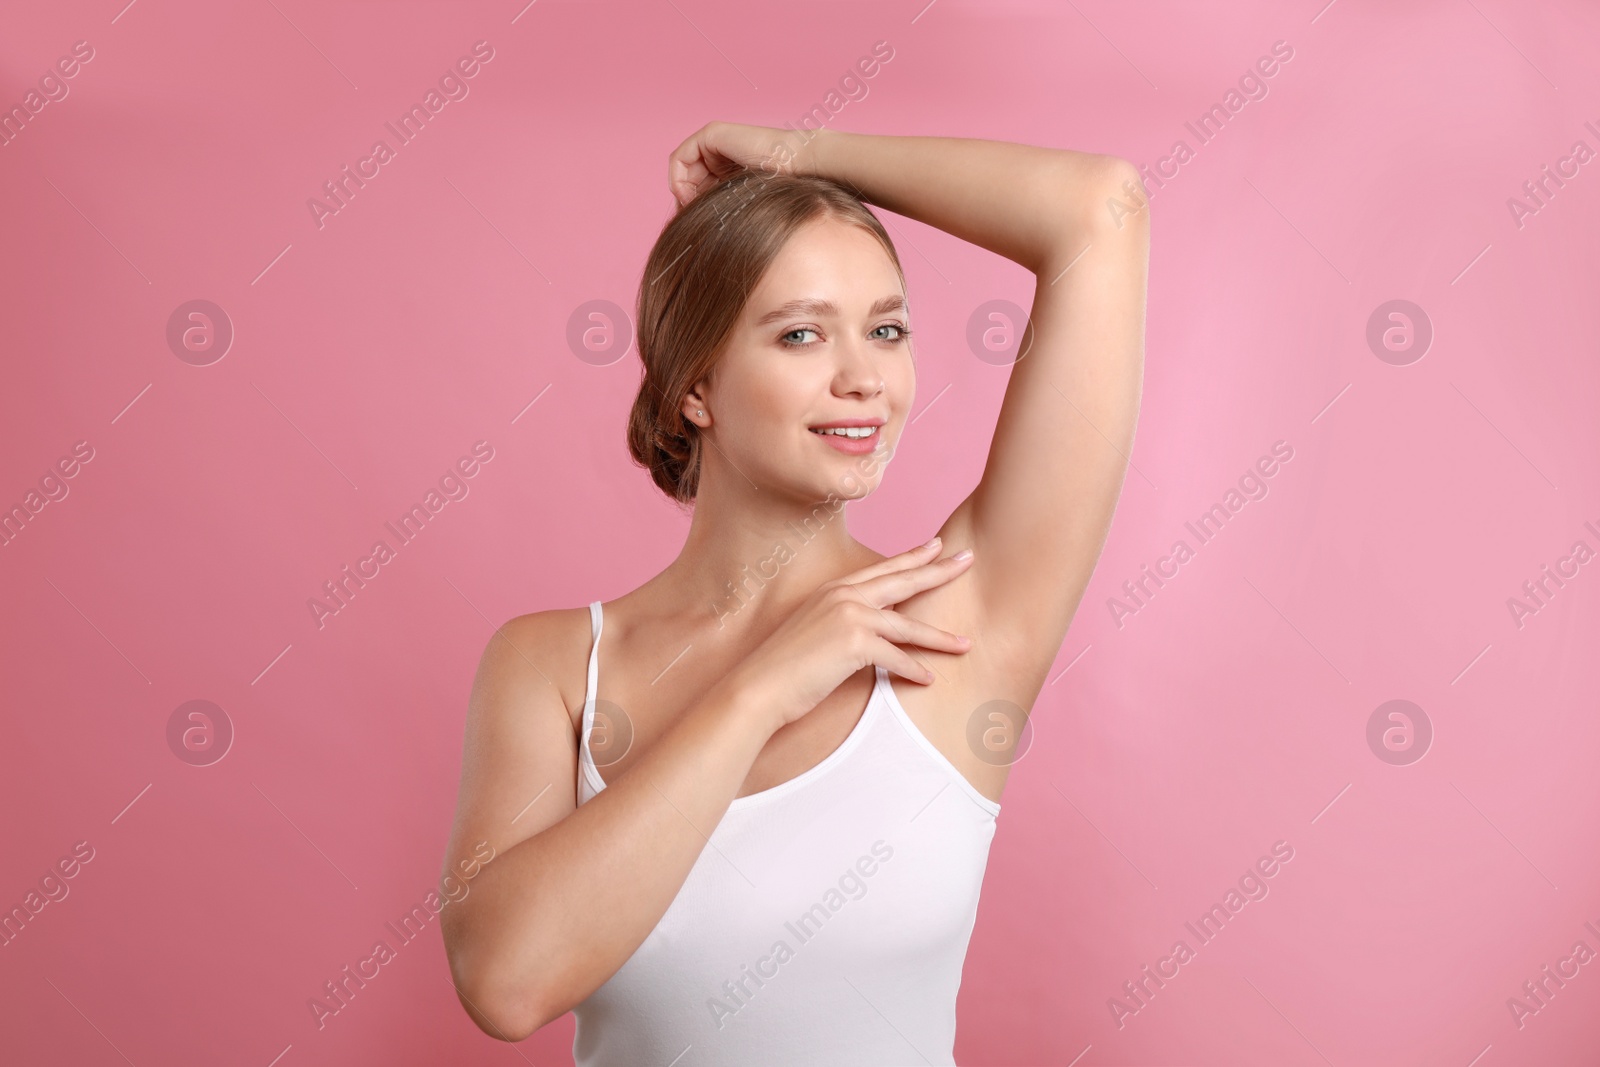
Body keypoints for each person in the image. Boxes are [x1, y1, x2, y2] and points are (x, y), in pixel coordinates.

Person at [440, 121, 1149, 1065]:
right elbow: (507, 981)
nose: (864, 379)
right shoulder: (556, 665)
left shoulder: (956, 620)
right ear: (697, 386)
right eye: (802, 333)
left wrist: (800, 156)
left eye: (886, 329)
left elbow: (1103, 210)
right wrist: (762, 687)